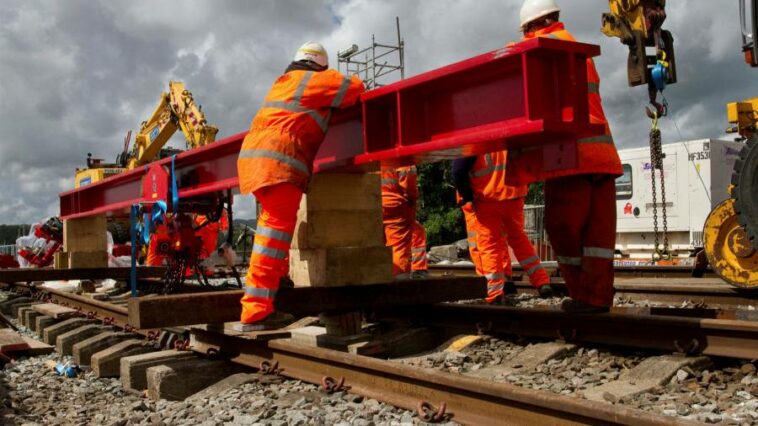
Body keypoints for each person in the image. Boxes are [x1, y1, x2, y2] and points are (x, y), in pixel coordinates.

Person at [237, 42, 364, 329]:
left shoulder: (283, 83)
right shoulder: (315, 79)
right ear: (320, 64)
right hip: (279, 161)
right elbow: (355, 87)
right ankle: (256, 312)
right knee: (273, 234)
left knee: (273, 232)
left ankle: (277, 289)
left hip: (256, 161)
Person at [511, 0, 623, 313]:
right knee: (597, 238)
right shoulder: (576, 48)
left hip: (571, 158)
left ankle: (582, 296)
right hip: (603, 158)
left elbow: (509, 61)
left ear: (531, 28)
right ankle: (597, 299)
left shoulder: (542, 47)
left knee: (563, 231)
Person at [453, 151, 552, 304]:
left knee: (489, 245)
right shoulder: (509, 132)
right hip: (514, 195)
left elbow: (458, 169)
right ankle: (542, 281)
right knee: (519, 239)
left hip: (488, 199)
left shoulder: (475, 139)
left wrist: (467, 196)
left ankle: (494, 294)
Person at [381, 165, 420, 280]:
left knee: (378, 246)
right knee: (398, 247)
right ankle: (400, 282)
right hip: (396, 205)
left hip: (373, 203)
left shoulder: (370, 155)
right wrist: (413, 198)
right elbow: (408, 183)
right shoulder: (400, 156)